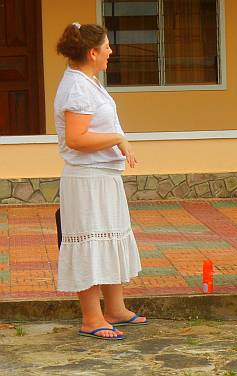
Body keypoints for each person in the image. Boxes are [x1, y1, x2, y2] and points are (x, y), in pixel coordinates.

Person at [54, 22, 147, 340]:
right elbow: (77, 138)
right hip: (87, 181)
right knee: (91, 242)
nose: (111, 51)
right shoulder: (77, 87)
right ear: (92, 52)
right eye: (107, 46)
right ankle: (92, 318)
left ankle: (115, 308)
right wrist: (118, 138)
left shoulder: (87, 81)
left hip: (103, 178)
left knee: (108, 238)